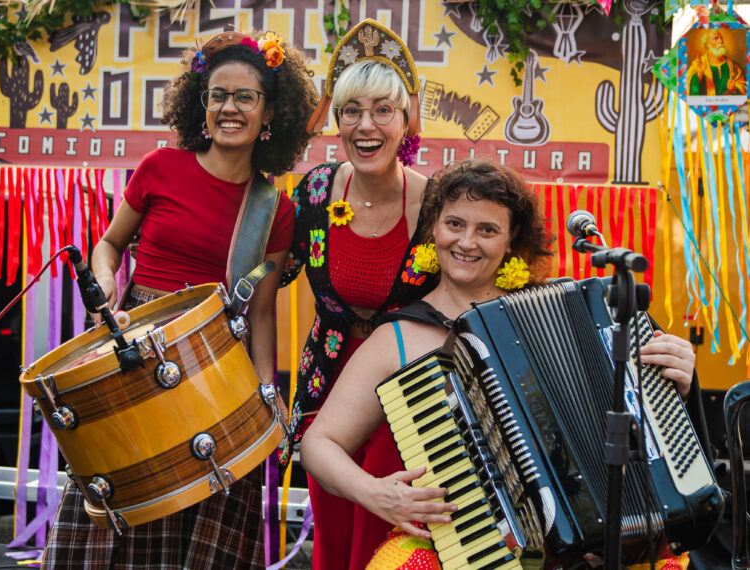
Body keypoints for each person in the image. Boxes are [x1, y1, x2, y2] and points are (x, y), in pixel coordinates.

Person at [300, 158, 701, 566]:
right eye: (454, 224)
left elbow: (633, 419)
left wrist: (674, 384)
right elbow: (319, 443)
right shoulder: (397, 337)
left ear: (511, 241)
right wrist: (374, 492)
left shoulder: (565, 314)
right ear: (434, 228)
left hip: (592, 542)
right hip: (469, 543)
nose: (466, 242)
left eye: (487, 230)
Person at [41, 29, 317, 569]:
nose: (229, 108)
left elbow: (261, 313)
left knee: (200, 521)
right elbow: (109, 245)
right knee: (119, 504)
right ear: (201, 104)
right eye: (218, 95)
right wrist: (106, 282)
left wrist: (266, 396)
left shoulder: (275, 209)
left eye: (245, 97)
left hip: (215, 368)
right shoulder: (159, 168)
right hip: (134, 351)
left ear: (270, 112)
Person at [279, 19, 439, 569]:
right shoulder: (315, 192)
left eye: (382, 110)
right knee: (332, 539)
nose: (365, 125)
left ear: (406, 119)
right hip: (328, 391)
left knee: (388, 541)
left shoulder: (438, 204)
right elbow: (268, 273)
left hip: (409, 396)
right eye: (351, 110)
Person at [688, 28, 747, 96]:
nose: (721, 41)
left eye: (721, 38)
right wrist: (699, 75)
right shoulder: (698, 63)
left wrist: (735, 88)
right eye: (716, 38)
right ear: (707, 44)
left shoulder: (731, 64)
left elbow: (744, 86)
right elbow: (688, 89)